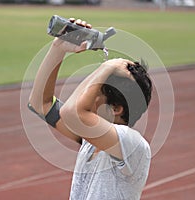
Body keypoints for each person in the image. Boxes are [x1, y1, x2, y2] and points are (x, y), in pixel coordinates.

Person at [28, 18, 153, 200]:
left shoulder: (133, 144)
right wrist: (59, 47)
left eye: (96, 91)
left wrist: (108, 66)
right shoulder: (91, 141)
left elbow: (72, 114)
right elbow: (40, 104)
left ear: (116, 108)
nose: (86, 95)